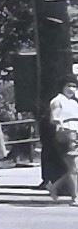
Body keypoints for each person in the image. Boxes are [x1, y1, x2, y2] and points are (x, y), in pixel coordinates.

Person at [47, 75, 78, 204]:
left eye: (74, 86)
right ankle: (75, 197)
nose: (72, 89)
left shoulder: (74, 102)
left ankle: (54, 186)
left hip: (76, 132)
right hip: (67, 134)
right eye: (69, 86)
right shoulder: (58, 100)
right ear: (63, 87)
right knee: (74, 167)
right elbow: (54, 118)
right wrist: (64, 126)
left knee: (74, 168)